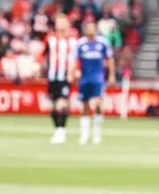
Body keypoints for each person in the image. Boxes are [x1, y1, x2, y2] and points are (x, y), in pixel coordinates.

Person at [72, 22, 115, 145]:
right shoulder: (80, 43)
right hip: (84, 79)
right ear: (85, 30)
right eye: (88, 28)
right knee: (85, 106)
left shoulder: (103, 43)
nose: (91, 30)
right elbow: (75, 60)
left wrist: (111, 75)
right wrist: (74, 73)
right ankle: (84, 135)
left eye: (92, 28)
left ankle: (97, 134)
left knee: (98, 105)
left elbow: (109, 59)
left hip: (98, 79)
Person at [46, 14, 78, 144]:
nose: (60, 24)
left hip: (66, 75)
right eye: (58, 22)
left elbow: (77, 57)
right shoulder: (50, 38)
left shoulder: (73, 40)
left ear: (68, 24)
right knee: (53, 106)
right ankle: (58, 129)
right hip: (52, 76)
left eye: (63, 22)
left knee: (62, 103)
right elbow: (44, 53)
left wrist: (75, 71)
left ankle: (61, 130)